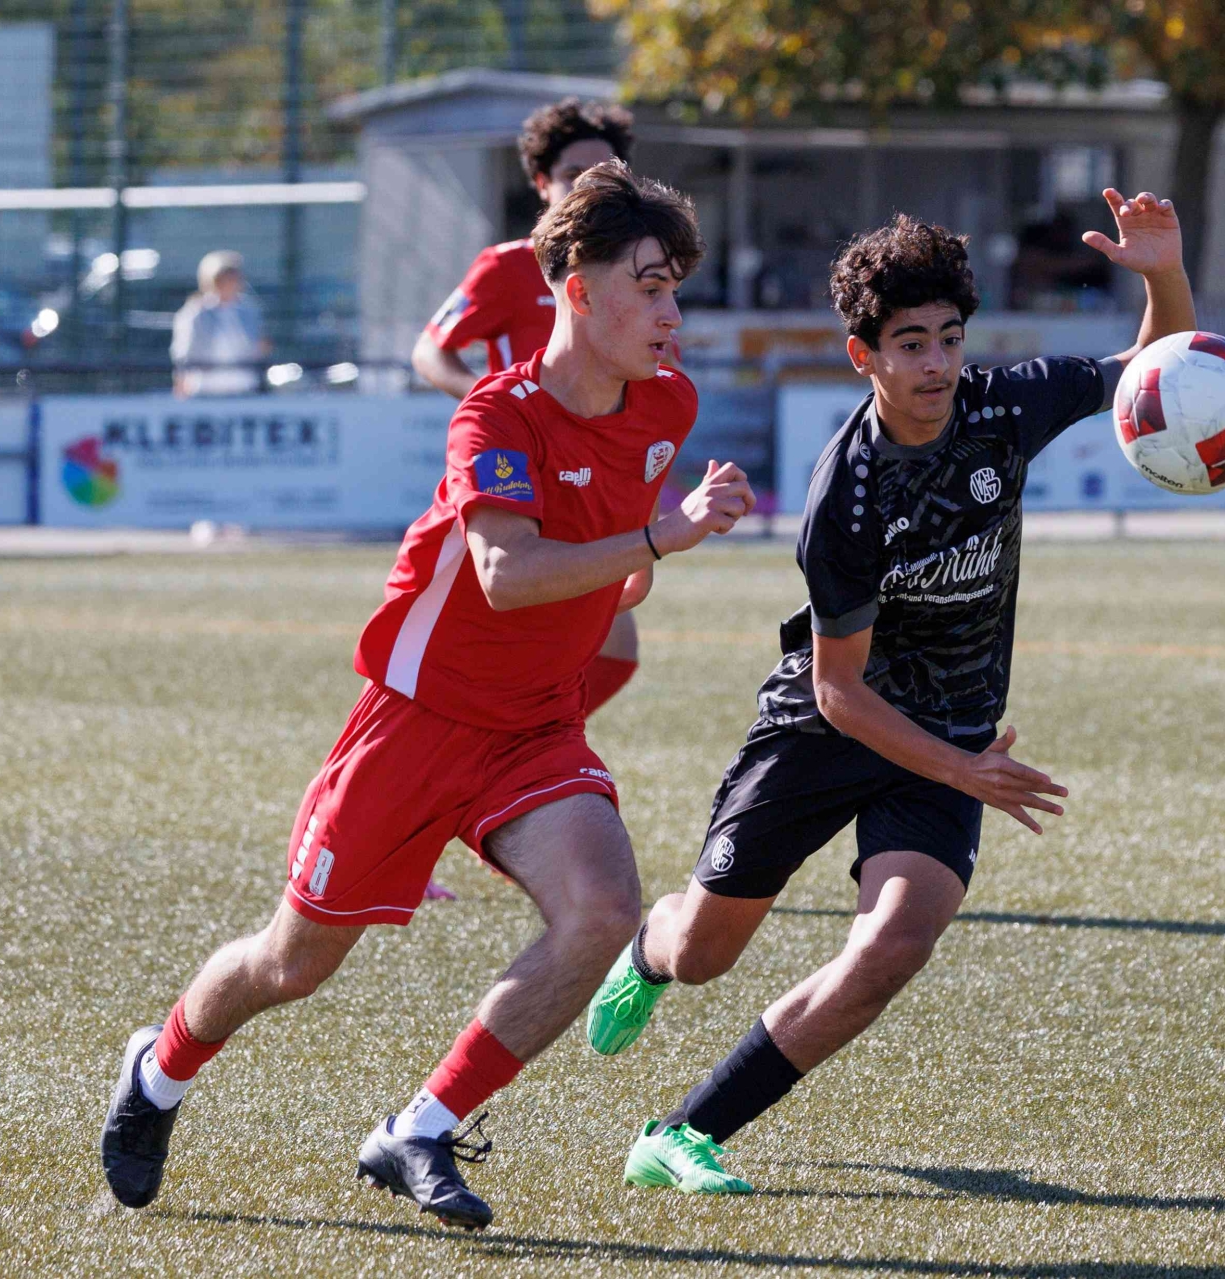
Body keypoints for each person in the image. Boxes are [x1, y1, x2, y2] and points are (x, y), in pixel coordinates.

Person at [100, 162, 756, 1230]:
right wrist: (658, 538)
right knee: (291, 962)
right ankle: (158, 1069)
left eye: (675, 289)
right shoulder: (495, 414)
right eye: (650, 288)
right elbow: (506, 574)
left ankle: (422, 1126)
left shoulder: (667, 403)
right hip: (416, 721)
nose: (672, 315)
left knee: (602, 913)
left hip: (535, 726)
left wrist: (638, 561)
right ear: (577, 290)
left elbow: (609, 552)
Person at [582, 194, 1197, 1194]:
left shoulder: (1004, 407)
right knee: (703, 952)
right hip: (826, 730)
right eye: (911, 344)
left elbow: (1151, 372)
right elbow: (838, 690)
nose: (937, 364)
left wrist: (1162, 272)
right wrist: (966, 771)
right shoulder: (848, 494)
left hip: (949, 734)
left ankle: (684, 1132)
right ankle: (650, 949)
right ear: (863, 355)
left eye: (950, 338)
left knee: (896, 943)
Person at [413, 98, 651, 718]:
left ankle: (532, 743)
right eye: (574, 174)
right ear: (542, 183)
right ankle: (514, 742)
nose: (591, 185)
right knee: (506, 632)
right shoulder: (508, 266)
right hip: (516, 477)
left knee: (613, 646)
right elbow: (430, 350)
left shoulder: (631, 272)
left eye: (606, 173)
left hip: (590, 479)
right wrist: (490, 404)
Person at [172, 251, 269, 397]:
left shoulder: (250, 309)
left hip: (244, 384)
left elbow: (257, 346)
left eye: (235, 278)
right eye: (225, 278)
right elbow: (183, 351)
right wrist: (181, 380)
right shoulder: (196, 312)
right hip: (205, 385)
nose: (232, 283)